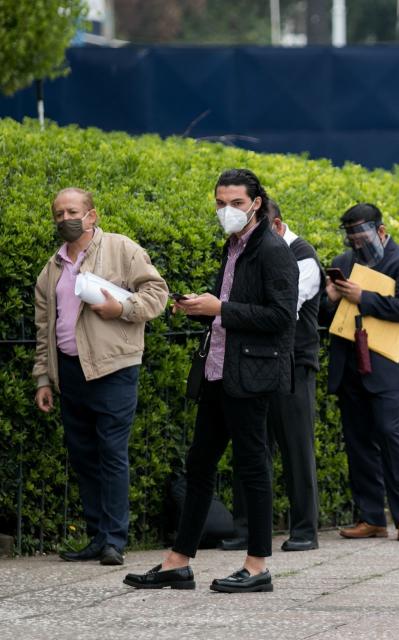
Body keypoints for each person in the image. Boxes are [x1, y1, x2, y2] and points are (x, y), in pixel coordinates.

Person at [124, 168, 298, 593]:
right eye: (221, 203)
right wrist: (201, 308)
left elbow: (280, 317)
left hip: (251, 374)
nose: (227, 211)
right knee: (199, 464)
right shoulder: (233, 245)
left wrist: (219, 308)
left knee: (252, 467)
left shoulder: (273, 250)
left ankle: (257, 566)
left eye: (236, 203)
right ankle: (177, 561)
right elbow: (233, 306)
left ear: (256, 203)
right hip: (218, 370)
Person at [34, 188, 168, 566]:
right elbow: (44, 327)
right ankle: (96, 536)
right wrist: (43, 378)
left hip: (113, 368)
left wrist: (122, 307)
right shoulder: (51, 269)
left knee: (111, 452)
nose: (65, 219)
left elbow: (157, 292)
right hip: (70, 371)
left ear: (92, 215)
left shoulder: (122, 248)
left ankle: (113, 540)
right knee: (83, 456)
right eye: (58, 213)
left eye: (72, 211)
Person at [221, 199, 323, 553]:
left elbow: (283, 306)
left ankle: (305, 529)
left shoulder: (302, 256)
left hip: (294, 361)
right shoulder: (245, 253)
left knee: (296, 447)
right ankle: (246, 529)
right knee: (251, 447)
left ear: (276, 226)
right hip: (254, 359)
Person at [322, 203, 399, 541]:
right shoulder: (343, 262)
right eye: (351, 237)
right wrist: (332, 297)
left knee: (391, 437)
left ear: (380, 231)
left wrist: (362, 296)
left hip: (385, 364)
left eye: (362, 236)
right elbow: (325, 316)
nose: (356, 244)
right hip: (349, 362)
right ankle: (371, 517)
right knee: (358, 442)